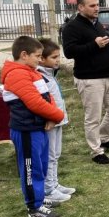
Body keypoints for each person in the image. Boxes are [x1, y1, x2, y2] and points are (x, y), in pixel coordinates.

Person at [1, 36, 65, 217]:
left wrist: (52, 117)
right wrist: (58, 116)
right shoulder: (17, 74)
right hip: (26, 129)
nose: (40, 59)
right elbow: (35, 103)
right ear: (24, 55)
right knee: (31, 169)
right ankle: (34, 207)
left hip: (38, 127)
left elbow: (47, 96)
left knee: (41, 165)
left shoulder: (32, 72)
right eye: (37, 55)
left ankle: (40, 197)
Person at [62, 0, 109, 164]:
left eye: (97, 5)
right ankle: (96, 151)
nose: (97, 8)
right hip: (89, 79)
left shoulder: (97, 24)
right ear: (80, 7)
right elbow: (69, 52)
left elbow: (100, 47)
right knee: (93, 117)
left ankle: (103, 137)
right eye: (92, 5)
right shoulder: (72, 28)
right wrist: (94, 45)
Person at [37, 38, 75, 202]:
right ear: (41, 59)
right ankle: (48, 189)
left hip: (58, 119)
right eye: (53, 57)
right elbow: (41, 101)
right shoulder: (40, 77)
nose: (57, 60)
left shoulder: (50, 74)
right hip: (50, 122)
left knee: (56, 154)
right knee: (50, 155)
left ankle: (54, 183)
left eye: (58, 56)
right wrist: (50, 117)